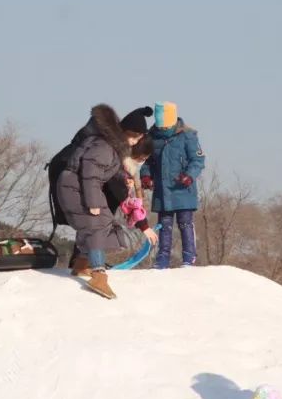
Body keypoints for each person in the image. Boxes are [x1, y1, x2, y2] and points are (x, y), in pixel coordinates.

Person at [55, 104, 156, 298]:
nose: (135, 142)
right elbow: (90, 174)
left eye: (138, 138)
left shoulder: (114, 149)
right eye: (134, 137)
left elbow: (117, 188)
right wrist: (93, 203)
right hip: (73, 188)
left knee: (105, 226)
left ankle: (82, 264)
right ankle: (98, 275)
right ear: (124, 132)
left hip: (80, 187)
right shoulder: (104, 146)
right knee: (97, 225)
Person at [140, 101, 206, 268]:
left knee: (185, 223)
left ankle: (189, 257)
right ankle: (162, 259)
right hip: (162, 191)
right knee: (165, 225)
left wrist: (189, 176)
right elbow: (146, 161)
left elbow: (197, 160)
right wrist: (146, 176)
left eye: (165, 125)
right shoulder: (151, 137)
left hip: (183, 189)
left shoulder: (187, 135)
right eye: (160, 125)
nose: (162, 128)